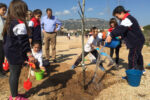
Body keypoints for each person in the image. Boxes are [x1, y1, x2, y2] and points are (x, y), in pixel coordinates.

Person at [2, 0, 35, 99]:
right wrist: (30, 55)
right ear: (20, 10)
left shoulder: (10, 22)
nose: (26, 12)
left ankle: (13, 94)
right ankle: (15, 97)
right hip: (15, 53)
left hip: (10, 51)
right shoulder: (20, 23)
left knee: (13, 73)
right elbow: (24, 42)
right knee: (15, 74)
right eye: (25, 9)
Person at [106, 6, 145, 71]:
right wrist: (121, 36)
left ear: (121, 13)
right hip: (138, 40)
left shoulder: (127, 19)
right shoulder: (127, 18)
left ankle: (132, 74)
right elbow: (126, 30)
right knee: (138, 55)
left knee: (132, 58)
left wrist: (110, 35)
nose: (117, 18)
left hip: (136, 42)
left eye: (117, 16)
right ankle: (141, 69)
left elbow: (120, 29)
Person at [0, 3, 7, 78]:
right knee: (0, 56)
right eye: (3, 10)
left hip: (2, 39)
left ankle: (1, 70)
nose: (4, 11)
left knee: (2, 56)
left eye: (5, 10)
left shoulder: (2, 18)